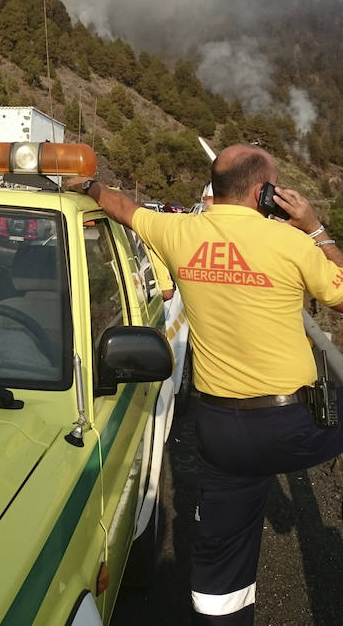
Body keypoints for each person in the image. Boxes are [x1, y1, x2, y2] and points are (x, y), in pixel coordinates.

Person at [68, 144, 343, 625]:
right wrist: (315, 227)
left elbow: (121, 206)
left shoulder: (179, 231)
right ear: (264, 193)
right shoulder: (292, 243)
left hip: (221, 430)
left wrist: (90, 185)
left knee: (223, 555)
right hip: (293, 424)